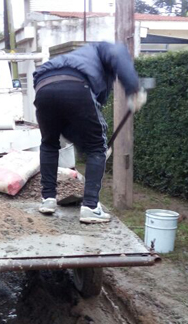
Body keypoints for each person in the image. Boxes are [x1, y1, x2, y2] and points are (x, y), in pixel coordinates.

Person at [32, 42, 146, 223]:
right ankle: (91, 207)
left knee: (49, 143)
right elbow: (117, 53)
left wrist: (88, 146)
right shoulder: (104, 48)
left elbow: (78, 121)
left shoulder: (76, 58)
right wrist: (134, 89)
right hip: (77, 85)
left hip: (43, 87)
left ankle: (47, 200)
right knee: (96, 146)